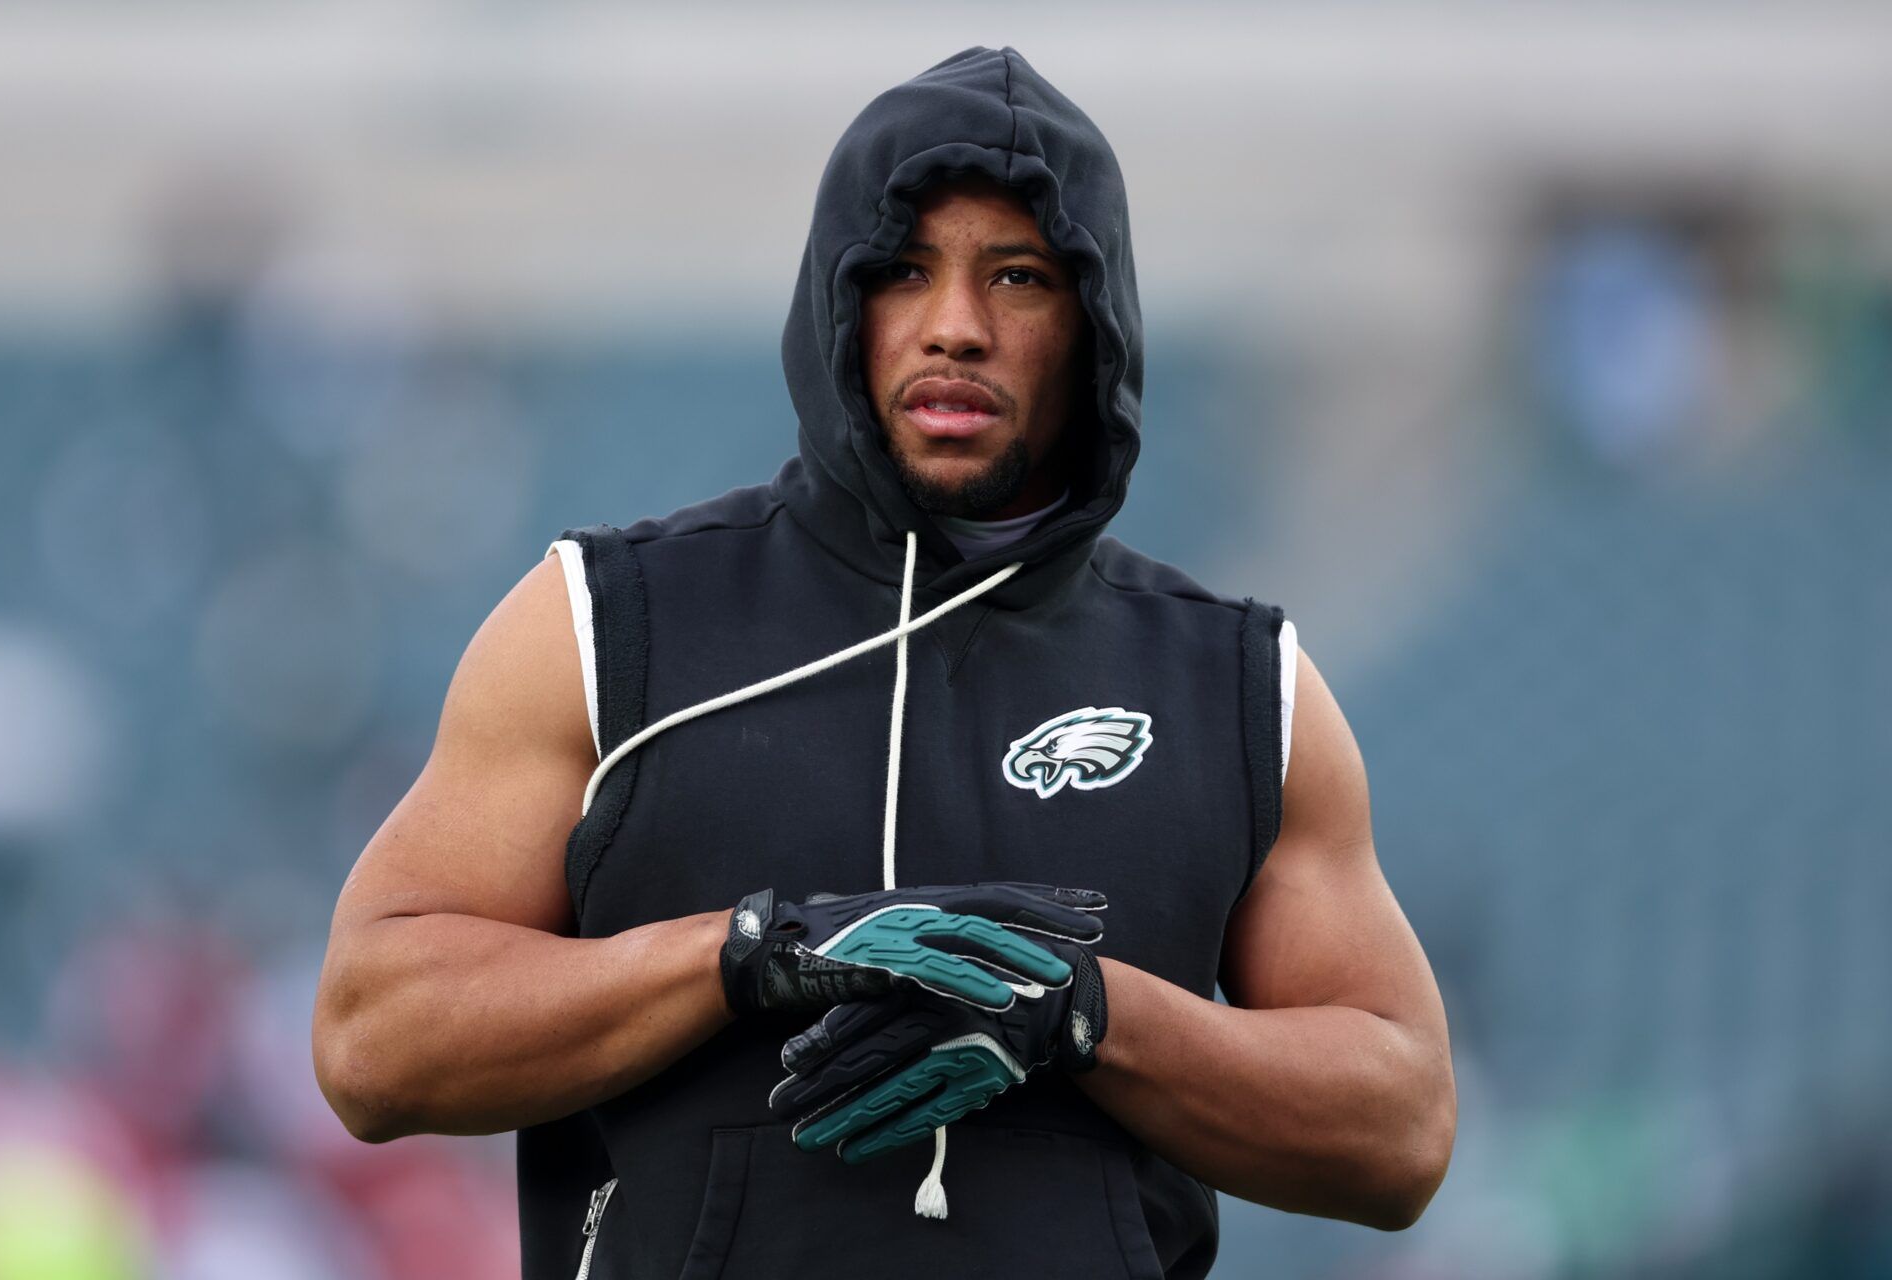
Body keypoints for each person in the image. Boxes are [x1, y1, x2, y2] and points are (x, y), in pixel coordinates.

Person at [312, 46, 1455, 1280]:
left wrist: (1084, 1014)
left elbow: (1400, 1126)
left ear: (1095, 317)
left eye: (1017, 276)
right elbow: (373, 1036)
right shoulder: (603, 620)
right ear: (839, 304)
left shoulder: (1239, 682)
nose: (955, 326)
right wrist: (755, 953)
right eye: (905, 270)